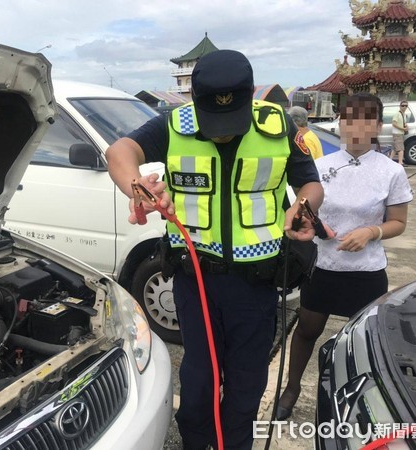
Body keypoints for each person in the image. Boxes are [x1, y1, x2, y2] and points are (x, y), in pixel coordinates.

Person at [106, 49, 325, 450]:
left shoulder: (277, 127)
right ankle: (196, 442)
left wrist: (304, 205)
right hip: (196, 283)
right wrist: (136, 186)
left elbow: (311, 183)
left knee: (246, 382)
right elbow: (119, 152)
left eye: (231, 121)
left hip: (257, 287)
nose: (222, 131)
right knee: (199, 381)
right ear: (194, 102)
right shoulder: (174, 124)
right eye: (213, 121)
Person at [276, 93, 413, 421]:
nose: (355, 126)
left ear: (378, 126)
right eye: (348, 118)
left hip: (366, 272)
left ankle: (362, 401)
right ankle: (292, 388)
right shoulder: (319, 168)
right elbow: (303, 209)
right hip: (323, 266)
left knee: (364, 341)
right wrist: (313, 223)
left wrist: (371, 232)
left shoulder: (391, 172)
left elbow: (398, 222)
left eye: (365, 119)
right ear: (340, 123)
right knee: (307, 329)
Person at [391, 100, 409, 166]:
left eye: (406, 106)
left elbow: (403, 123)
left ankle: (390, 160)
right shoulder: (397, 114)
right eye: (403, 105)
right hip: (397, 133)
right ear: (400, 106)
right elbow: (394, 123)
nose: (404, 107)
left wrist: (406, 126)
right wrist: (403, 129)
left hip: (400, 133)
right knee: (401, 148)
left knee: (395, 148)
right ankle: (400, 162)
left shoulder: (404, 114)